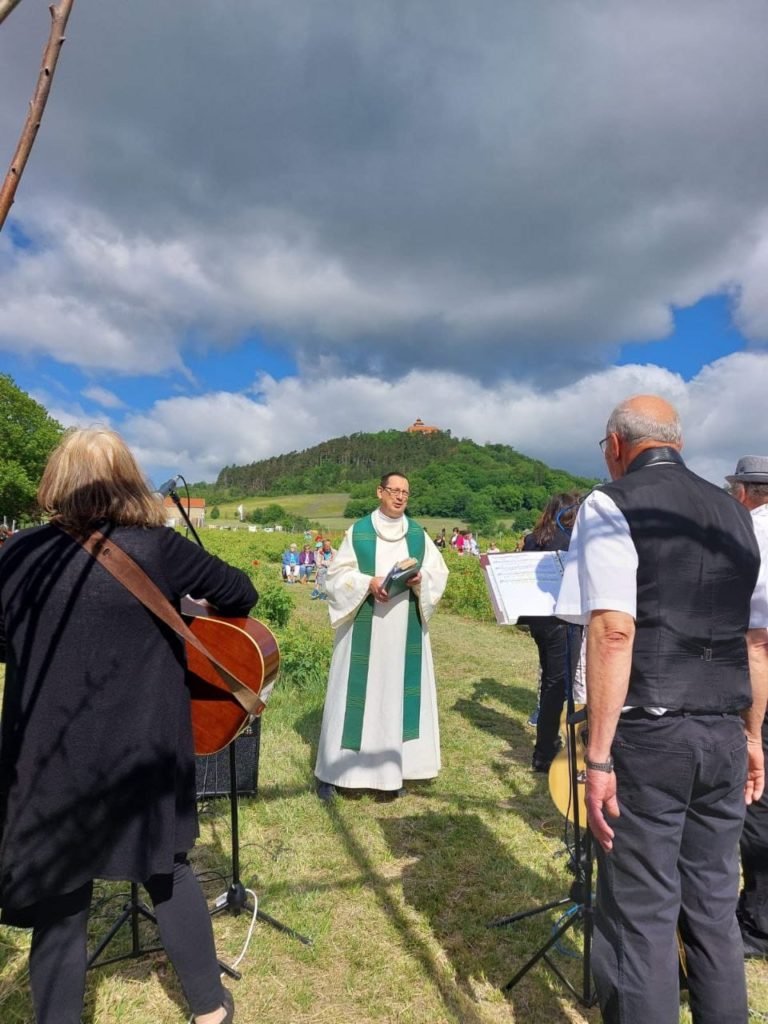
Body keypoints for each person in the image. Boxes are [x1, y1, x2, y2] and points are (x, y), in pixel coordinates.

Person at [0, 427, 255, 1024]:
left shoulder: (16, 554)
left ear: (56, 480)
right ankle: (210, 1011)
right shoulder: (159, 548)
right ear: (127, 478)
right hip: (142, 749)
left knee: (61, 898)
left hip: (47, 753)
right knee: (166, 869)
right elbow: (241, 592)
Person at [555, 396, 768, 1024]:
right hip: (725, 732)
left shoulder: (610, 503)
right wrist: (752, 734)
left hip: (651, 733)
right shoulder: (738, 515)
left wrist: (597, 758)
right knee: (712, 907)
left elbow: (614, 631)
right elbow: (757, 642)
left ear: (616, 447)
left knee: (642, 917)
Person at [314, 473, 448, 799]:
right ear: (380, 492)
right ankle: (336, 772)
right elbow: (334, 577)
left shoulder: (417, 535)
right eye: (394, 491)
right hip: (363, 624)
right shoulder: (358, 532)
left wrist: (419, 580)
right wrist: (367, 583)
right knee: (354, 695)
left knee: (394, 695)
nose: (400, 497)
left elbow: (439, 572)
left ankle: (393, 773)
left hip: (403, 632)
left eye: (405, 492)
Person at [728, 456, 768, 958]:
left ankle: (758, 922)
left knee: (757, 800)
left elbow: (758, 642)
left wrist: (751, 729)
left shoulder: (753, 533)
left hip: (762, 687)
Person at [520, 492, 582, 772]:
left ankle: (546, 744)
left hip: (538, 621)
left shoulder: (534, 539)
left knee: (549, 681)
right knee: (559, 686)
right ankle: (545, 752)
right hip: (562, 622)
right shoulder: (570, 542)